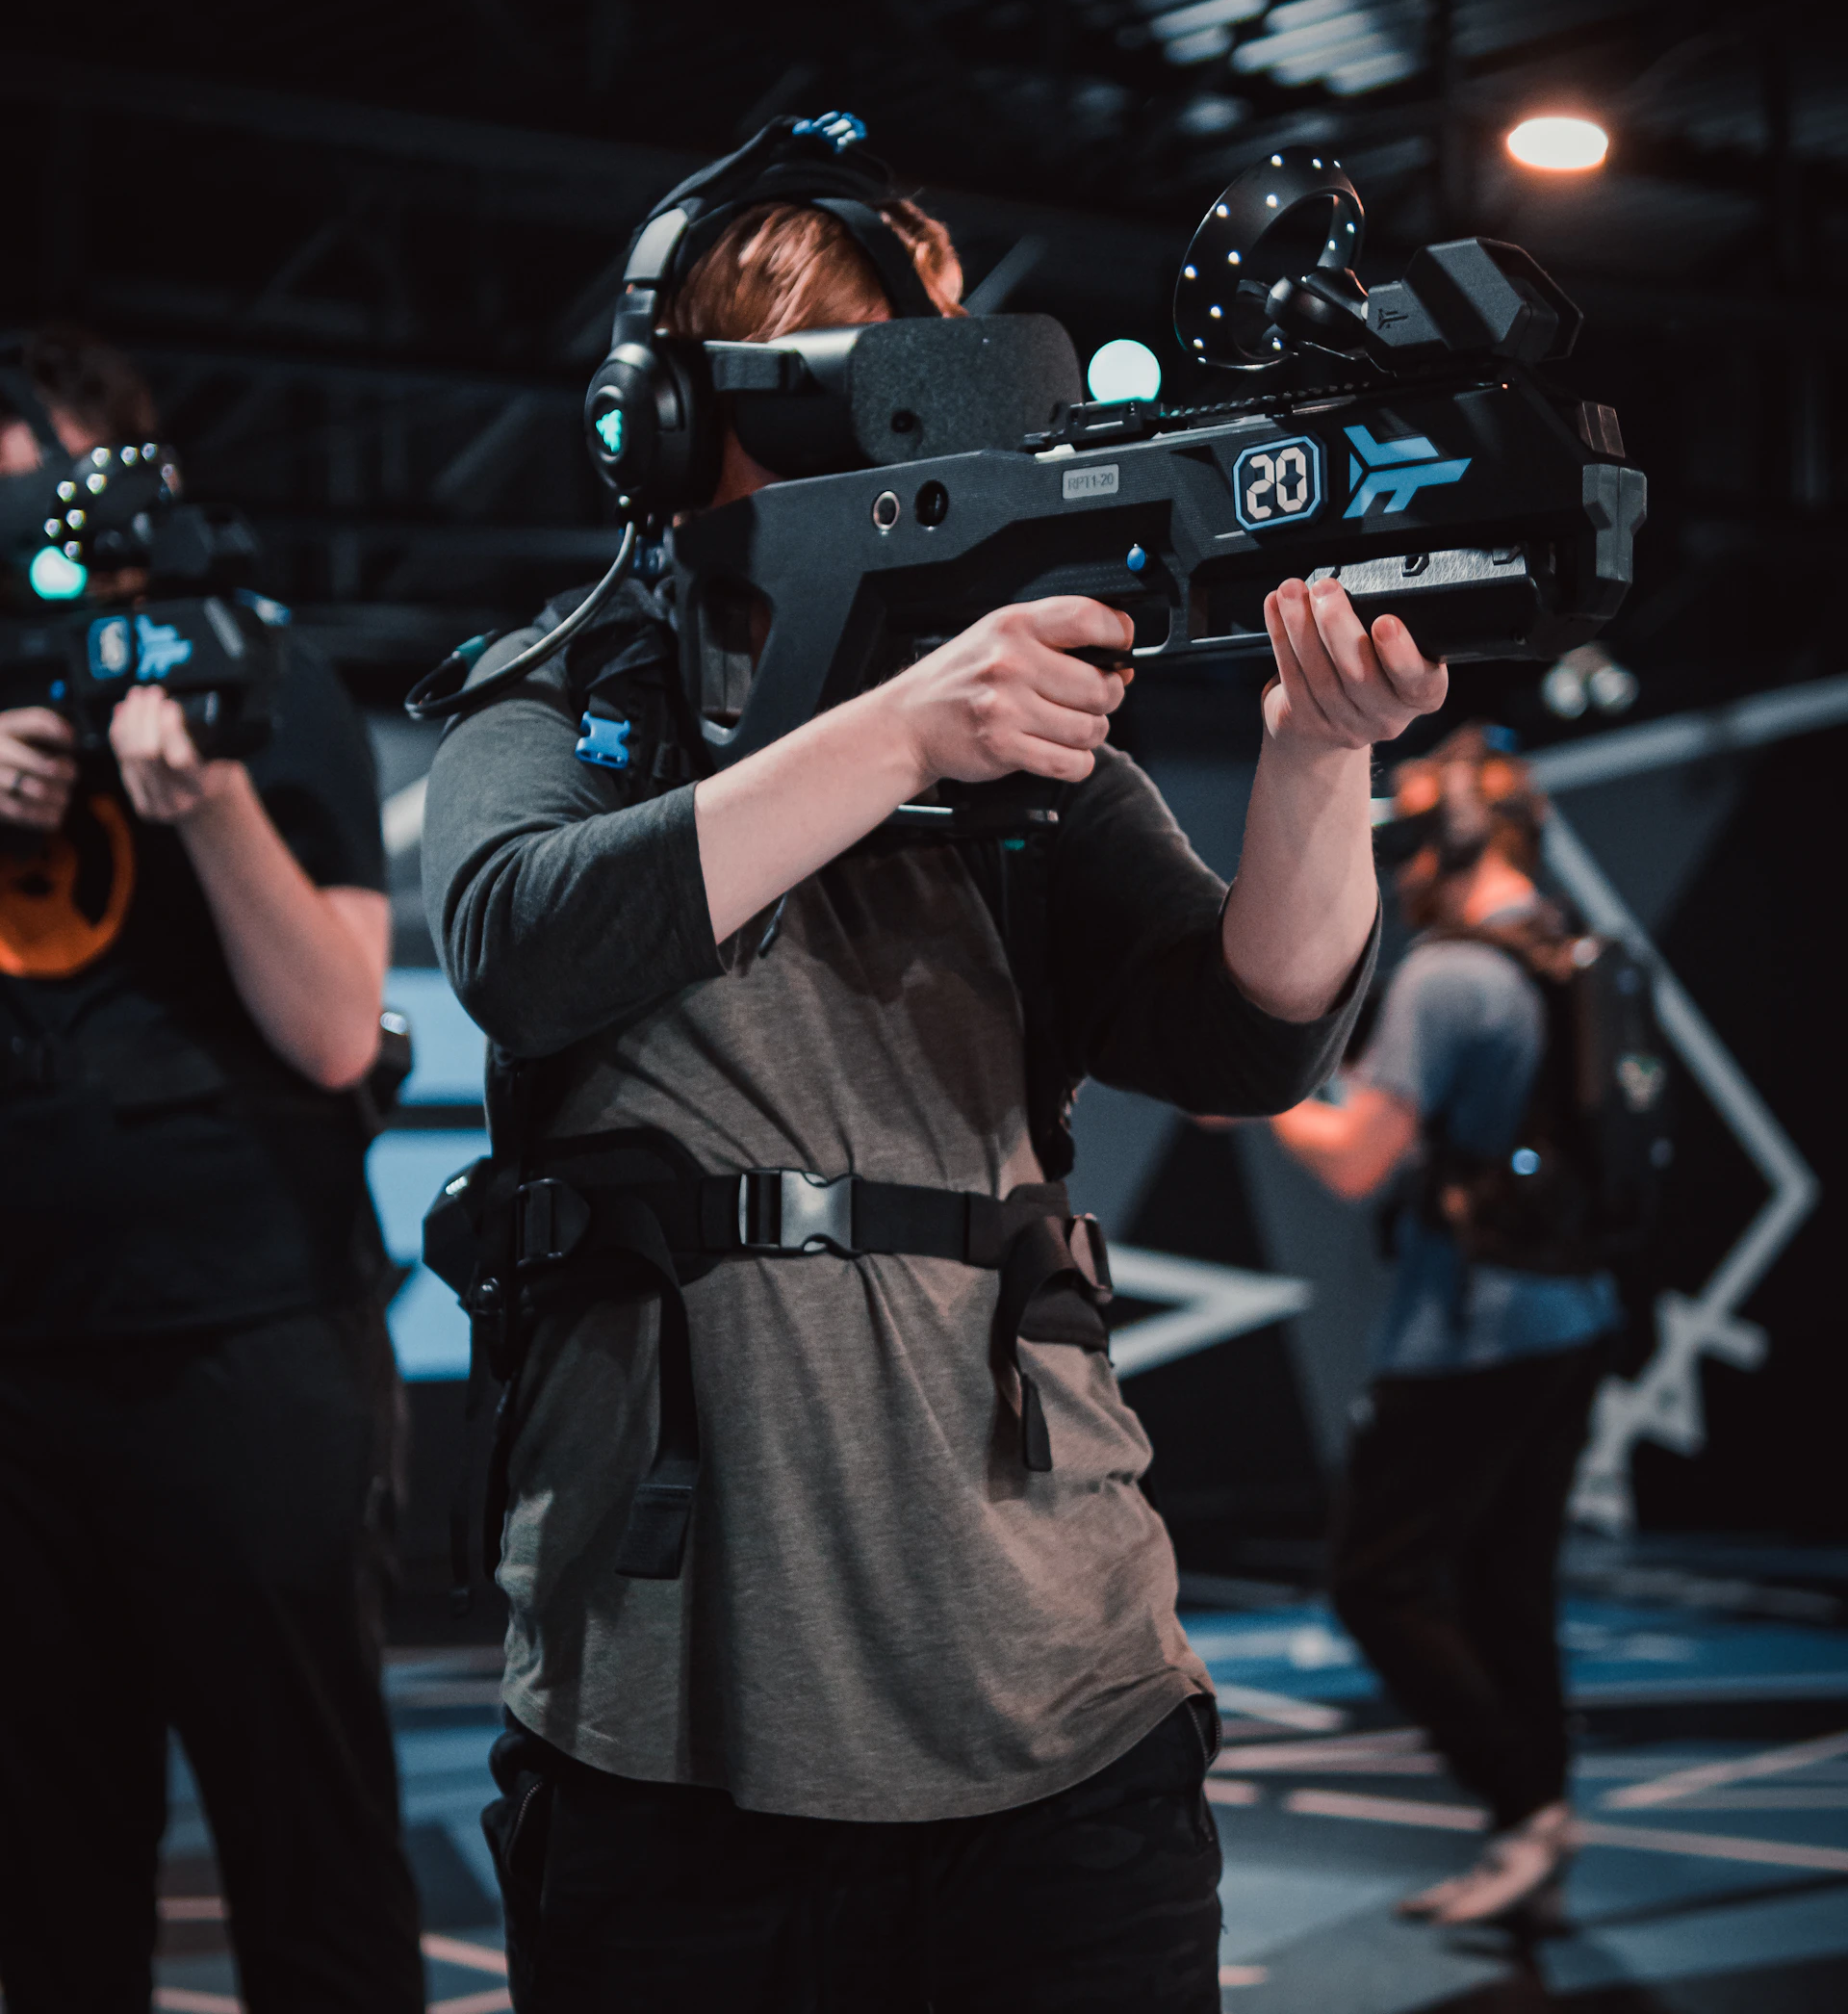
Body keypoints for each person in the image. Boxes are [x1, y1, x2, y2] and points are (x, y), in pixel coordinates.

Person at [421, 133, 1449, 2012]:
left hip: (1058, 1703)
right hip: (679, 1729)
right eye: (856, 390)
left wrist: (1318, 754)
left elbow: (1249, 1031)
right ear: (682, 425)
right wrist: (899, 733)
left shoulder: (1026, 745)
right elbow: (520, 940)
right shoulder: (575, 698)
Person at [0, 326, 424, 2011]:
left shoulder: (260, 675)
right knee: (48, 1896)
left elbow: (332, 1029)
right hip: (21, 1362)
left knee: (311, 1859)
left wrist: (207, 802)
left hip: (244, 1339)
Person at [1269, 724, 1623, 1929]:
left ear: (1455, 834)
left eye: (1414, 824)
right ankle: (1537, 1822)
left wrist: (1259, 1095)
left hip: (1471, 1330)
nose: (1400, 851)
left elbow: (1358, 1159)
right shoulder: (1558, 944)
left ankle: (1521, 1801)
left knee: (1377, 1582)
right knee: (1508, 1580)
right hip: (1571, 1311)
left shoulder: (1449, 976)